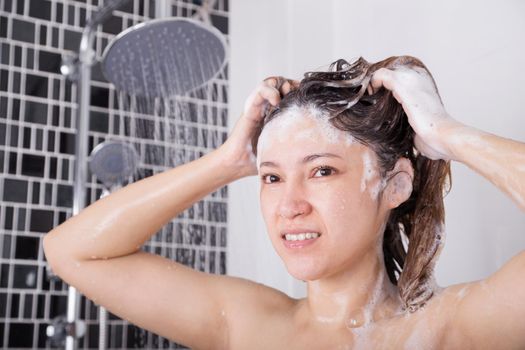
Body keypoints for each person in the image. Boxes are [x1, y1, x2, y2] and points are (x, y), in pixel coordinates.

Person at [43, 56, 525, 349]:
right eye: (271, 177)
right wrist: (227, 161)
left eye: (321, 171)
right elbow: (70, 251)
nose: (288, 206)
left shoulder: (461, 329)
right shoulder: (246, 325)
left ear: (395, 185)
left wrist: (447, 135)